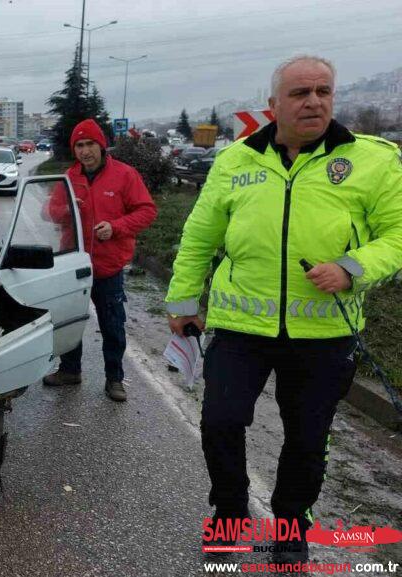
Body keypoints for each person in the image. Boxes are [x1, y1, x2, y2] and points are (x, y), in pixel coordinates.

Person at [165, 56, 402, 563]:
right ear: (274, 106)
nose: (313, 100)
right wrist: (184, 304)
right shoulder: (235, 162)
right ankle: (229, 516)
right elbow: (198, 239)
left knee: (308, 439)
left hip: (324, 333)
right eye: (299, 93)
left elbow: (397, 236)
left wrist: (353, 268)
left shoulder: (374, 160)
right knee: (221, 422)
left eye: (323, 90)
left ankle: (291, 526)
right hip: (239, 326)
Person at [42, 119, 157, 402]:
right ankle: (70, 370)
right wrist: (68, 209)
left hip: (108, 267)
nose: (85, 151)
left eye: (90, 144)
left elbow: (147, 211)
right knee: (70, 321)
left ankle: (114, 379)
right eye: (79, 146)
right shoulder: (69, 177)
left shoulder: (124, 175)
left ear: (101, 145)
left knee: (112, 325)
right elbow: (49, 212)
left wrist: (115, 227)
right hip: (75, 264)